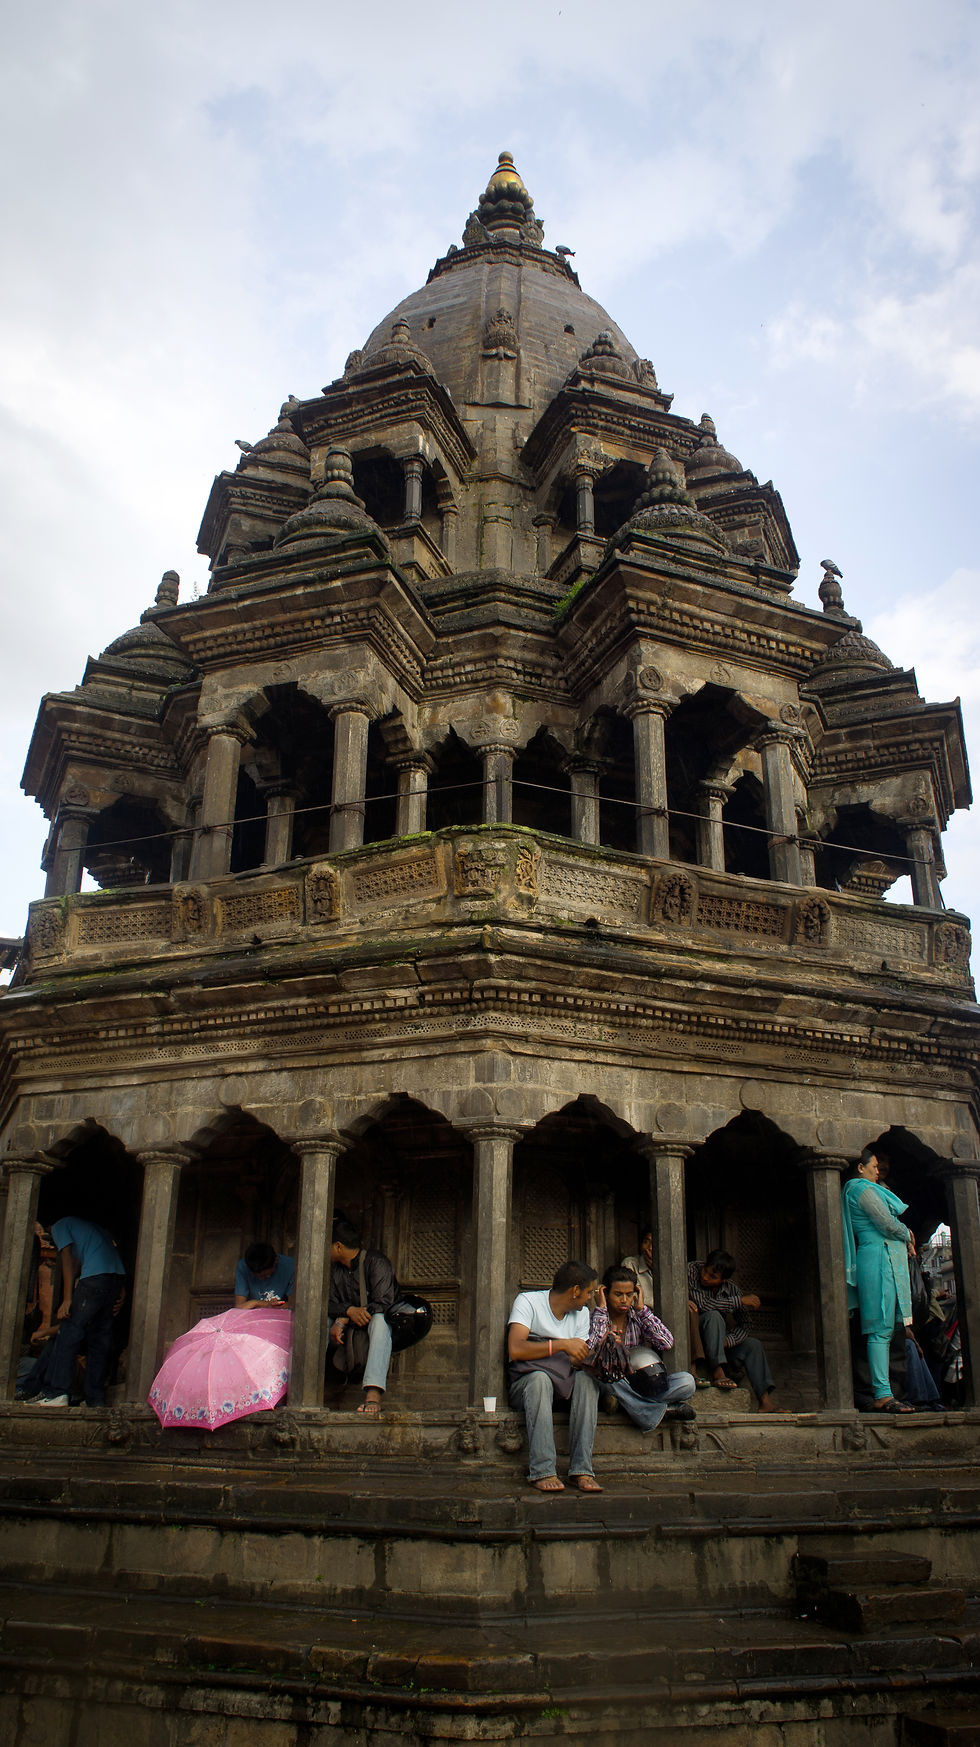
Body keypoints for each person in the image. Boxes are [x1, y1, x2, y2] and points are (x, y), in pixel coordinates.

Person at [506, 1260, 602, 1494]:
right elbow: (516, 1349)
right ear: (575, 1291)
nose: (590, 1298)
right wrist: (561, 1345)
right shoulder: (528, 1302)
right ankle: (543, 1470)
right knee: (539, 1380)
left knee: (587, 1382)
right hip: (527, 1387)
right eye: (588, 1292)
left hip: (564, 1384)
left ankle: (582, 1469)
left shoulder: (581, 1315)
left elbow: (577, 1358)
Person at [841, 1147, 916, 1414]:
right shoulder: (860, 1189)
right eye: (873, 1166)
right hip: (877, 1259)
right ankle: (882, 1394)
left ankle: (887, 1391)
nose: (877, 1170)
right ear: (860, 1168)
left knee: (886, 1329)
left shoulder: (868, 1188)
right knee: (879, 1328)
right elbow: (884, 1222)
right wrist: (906, 1233)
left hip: (884, 1258)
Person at [587, 1266, 696, 1430]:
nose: (624, 1299)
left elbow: (666, 1342)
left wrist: (641, 1310)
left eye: (629, 1294)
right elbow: (589, 1349)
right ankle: (660, 1411)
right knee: (606, 1381)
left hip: (644, 1381)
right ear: (605, 1293)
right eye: (618, 1294)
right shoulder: (595, 1317)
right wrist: (601, 1310)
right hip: (615, 1381)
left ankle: (627, 1404)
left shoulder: (639, 1317)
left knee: (687, 1382)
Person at [32, 1217, 127, 1407]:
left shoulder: (60, 1225)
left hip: (94, 1279)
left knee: (68, 1331)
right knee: (99, 1339)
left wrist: (67, 1299)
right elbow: (90, 1261)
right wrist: (122, 1291)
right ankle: (94, 1399)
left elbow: (66, 1257)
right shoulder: (91, 1228)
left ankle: (56, 1392)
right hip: (114, 1278)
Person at [687, 1249, 776, 1412]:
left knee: (753, 1345)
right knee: (713, 1316)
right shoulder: (691, 1271)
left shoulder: (732, 1289)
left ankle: (765, 1401)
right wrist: (740, 1301)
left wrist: (729, 1340)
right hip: (695, 1342)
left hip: (720, 1345)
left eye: (712, 1277)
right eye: (705, 1272)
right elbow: (704, 1305)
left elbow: (746, 1324)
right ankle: (717, 1370)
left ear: (724, 1280)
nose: (705, 1277)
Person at [328, 1217, 398, 1416]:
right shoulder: (334, 1270)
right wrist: (345, 1313)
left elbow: (385, 1301)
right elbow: (326, 1303)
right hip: (345, 1322)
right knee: (314, 1322)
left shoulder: (376, 1262)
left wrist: (348, 1315)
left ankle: (373, 1393)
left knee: (380, 1322)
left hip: (372, 1321)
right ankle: (304, 1387)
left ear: (339, 1246)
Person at [235, 1242, 294, 1308]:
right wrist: (258, 1303)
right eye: (256, 1276)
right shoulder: (243, 1266)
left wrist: (255, 1303)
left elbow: (293, 1305)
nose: (261, 1279)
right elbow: (240, 1307)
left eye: (266, 1275)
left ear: (275, 1261)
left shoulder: (291, 1267)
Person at [620, 1231, 655, 1308]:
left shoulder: (671, 1269)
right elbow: (632, 1299)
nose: (650, 1248)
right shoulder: (631, 1264)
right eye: (646, 1242)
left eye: (655, 1243)